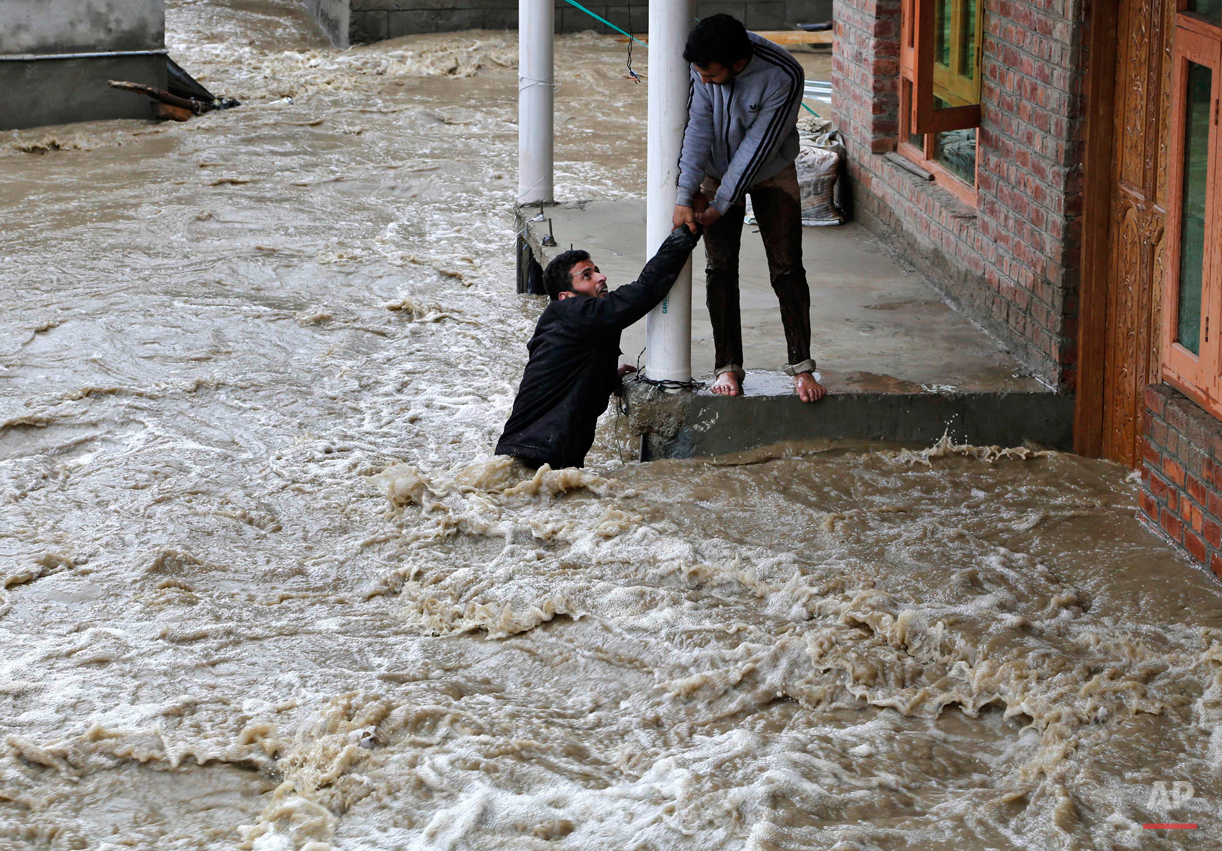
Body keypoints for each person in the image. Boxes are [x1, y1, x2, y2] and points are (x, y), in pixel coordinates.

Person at [671, 14, 827, 403]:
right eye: (698, 74)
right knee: (720, 267)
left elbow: (755, 150)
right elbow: (697, 126)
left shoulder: (783, 74)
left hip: (771, 168)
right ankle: (728, 365)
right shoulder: (706, 64)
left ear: (738, 64)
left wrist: (722, 204)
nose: (702, 80)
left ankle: (801, 366)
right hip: (714, 168)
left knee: (787, 266)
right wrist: (684, 194)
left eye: (710, 75)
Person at [495, 224, 702, 470]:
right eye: (587, 275)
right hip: (539, 456)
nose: (601, 277)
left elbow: (561, 375)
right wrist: (687, 232)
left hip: (531, 457)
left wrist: (606, 377)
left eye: (597, 271)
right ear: (566, 296)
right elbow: (645, 291)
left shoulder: (567, 324)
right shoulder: (575, 312)